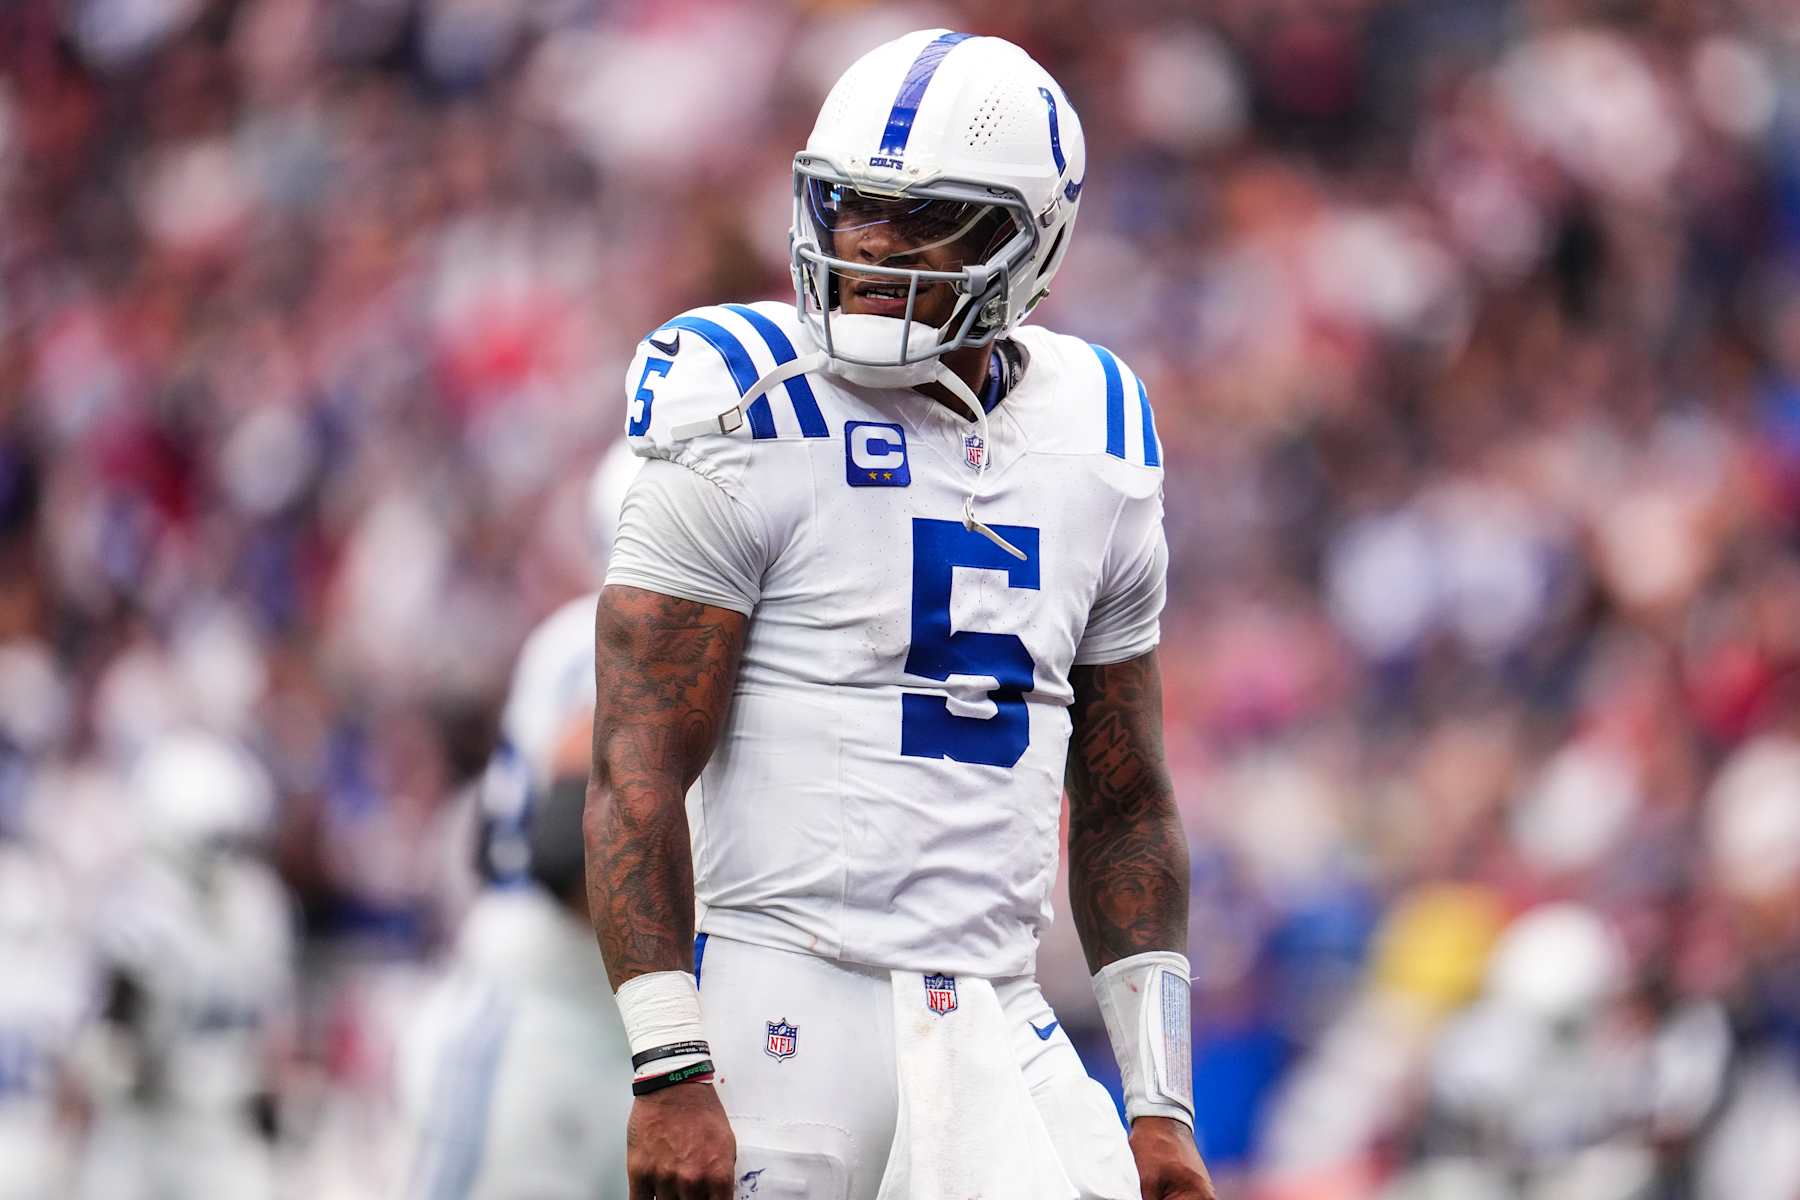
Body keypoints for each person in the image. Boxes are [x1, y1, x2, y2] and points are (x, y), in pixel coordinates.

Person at [588, 28, 1216, 1200]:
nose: (873, 245)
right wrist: (671, 1065)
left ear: (1035, 238)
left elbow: (1127, 799)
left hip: (996, 1009)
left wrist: (1158, 1097)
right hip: (785, 992)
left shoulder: (1101, 430)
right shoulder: (745, 401)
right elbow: (634, 768)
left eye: (928, 220)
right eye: (850, 207)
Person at [394, 448, 644, 1199]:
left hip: (596, 1034)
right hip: (547, 1026)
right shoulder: (613, 637)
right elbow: (568, 845)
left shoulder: (574, 639)